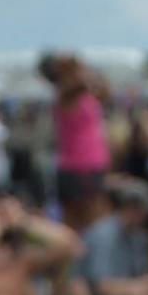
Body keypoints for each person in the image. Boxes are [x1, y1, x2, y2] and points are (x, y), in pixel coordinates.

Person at [46, 52, 114, 225]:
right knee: (85, 223)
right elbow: (79, 84)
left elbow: (106, 91)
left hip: (91, 166)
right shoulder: (64, 96)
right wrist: (77, 70)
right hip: (79, 168)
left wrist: (90, 73)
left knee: (96, 221)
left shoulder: (85, 97)